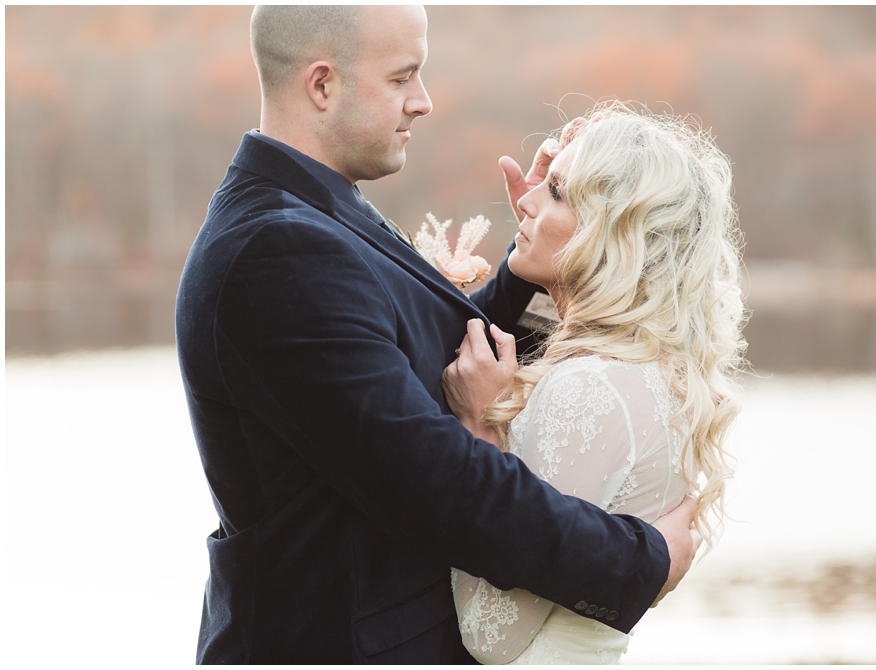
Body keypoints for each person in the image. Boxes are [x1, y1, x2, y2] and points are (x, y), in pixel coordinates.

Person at [175, 6, 698, 664]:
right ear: (321, 85)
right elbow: (436, 482)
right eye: (402, 78)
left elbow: (428, 366)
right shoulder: (277, 249)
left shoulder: (315, 213)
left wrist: (544, 248)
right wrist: (639, 560)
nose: (422, 102)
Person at [442, 102, 746, 664]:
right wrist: (542, 238)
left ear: (615, 230)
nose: (526, 201)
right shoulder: (645, 367)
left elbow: (489, 633)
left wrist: (478, 428)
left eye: (556, 192)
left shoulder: (589, 387)